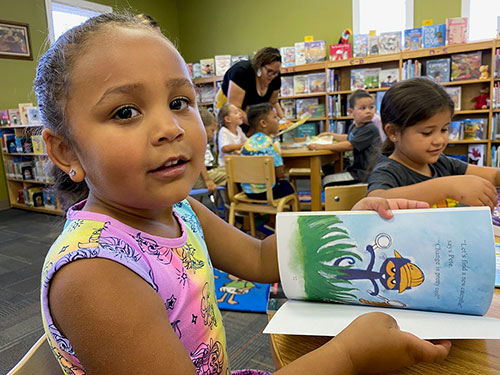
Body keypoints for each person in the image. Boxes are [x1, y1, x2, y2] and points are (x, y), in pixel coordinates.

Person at [34, 13, 451, 374]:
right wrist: (348, 357)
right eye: (126, 112)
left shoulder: (178, 209)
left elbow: (259, 258)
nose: (171, 127)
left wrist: (354, 224)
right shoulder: (95, 274)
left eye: (180, 101)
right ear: (66, 150)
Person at [367, 77, 499, 209]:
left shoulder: (441, 162)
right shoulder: (388, 171)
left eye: (444, 129)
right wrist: (446, 187)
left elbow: (493, 176)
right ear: (393, 132)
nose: (440, 141)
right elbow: (375, 200)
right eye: (427, 133)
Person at [308, 89, 382, 187]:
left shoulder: (370, 128)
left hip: (364, 174)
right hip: (355, 168)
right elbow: (348, 138)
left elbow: (349, 145)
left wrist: (321, 147)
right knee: (328, 167)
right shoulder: (355, 125)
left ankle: (337, 197)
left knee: (327, 181)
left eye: (371, 107)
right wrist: (331, 135)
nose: (368, 111)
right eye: (363, 108)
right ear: (351, 112)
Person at [216, 47, 284, 133]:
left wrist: (283, 121)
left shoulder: (275, 77)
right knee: (236, 134)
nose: (273, 75)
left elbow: (273, 102)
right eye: (270, 71)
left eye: (276, 72)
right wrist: (259, 125)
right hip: (231, 107)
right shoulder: (241, 72)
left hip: (251, 109)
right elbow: (234, 107)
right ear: (259, 66)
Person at [241, 103, 295, 200]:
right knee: (289, 186)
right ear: (263, 123)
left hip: (248, 192)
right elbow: (280, 174)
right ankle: (293, 213)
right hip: (268, 192)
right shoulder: (273, 144)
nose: (278, 120)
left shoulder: (246, 144)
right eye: (275, 117)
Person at [192, 108, 226, 192]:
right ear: (202, 127)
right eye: (212, 130)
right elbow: (199, 161)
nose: (213, 134)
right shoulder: (197, 141)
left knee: (229, 170)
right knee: (233, 175)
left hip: (198, 177)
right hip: (199, 181)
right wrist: (207, 180)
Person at [217, 102, 247, 168]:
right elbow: (225, 148)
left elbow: (246, 141)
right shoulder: (224, 131)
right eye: (236, 112)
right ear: (228, 119)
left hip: (237, 166)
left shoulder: (238, 129)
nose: (240, 114)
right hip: (226, 168)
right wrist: (241, 146)